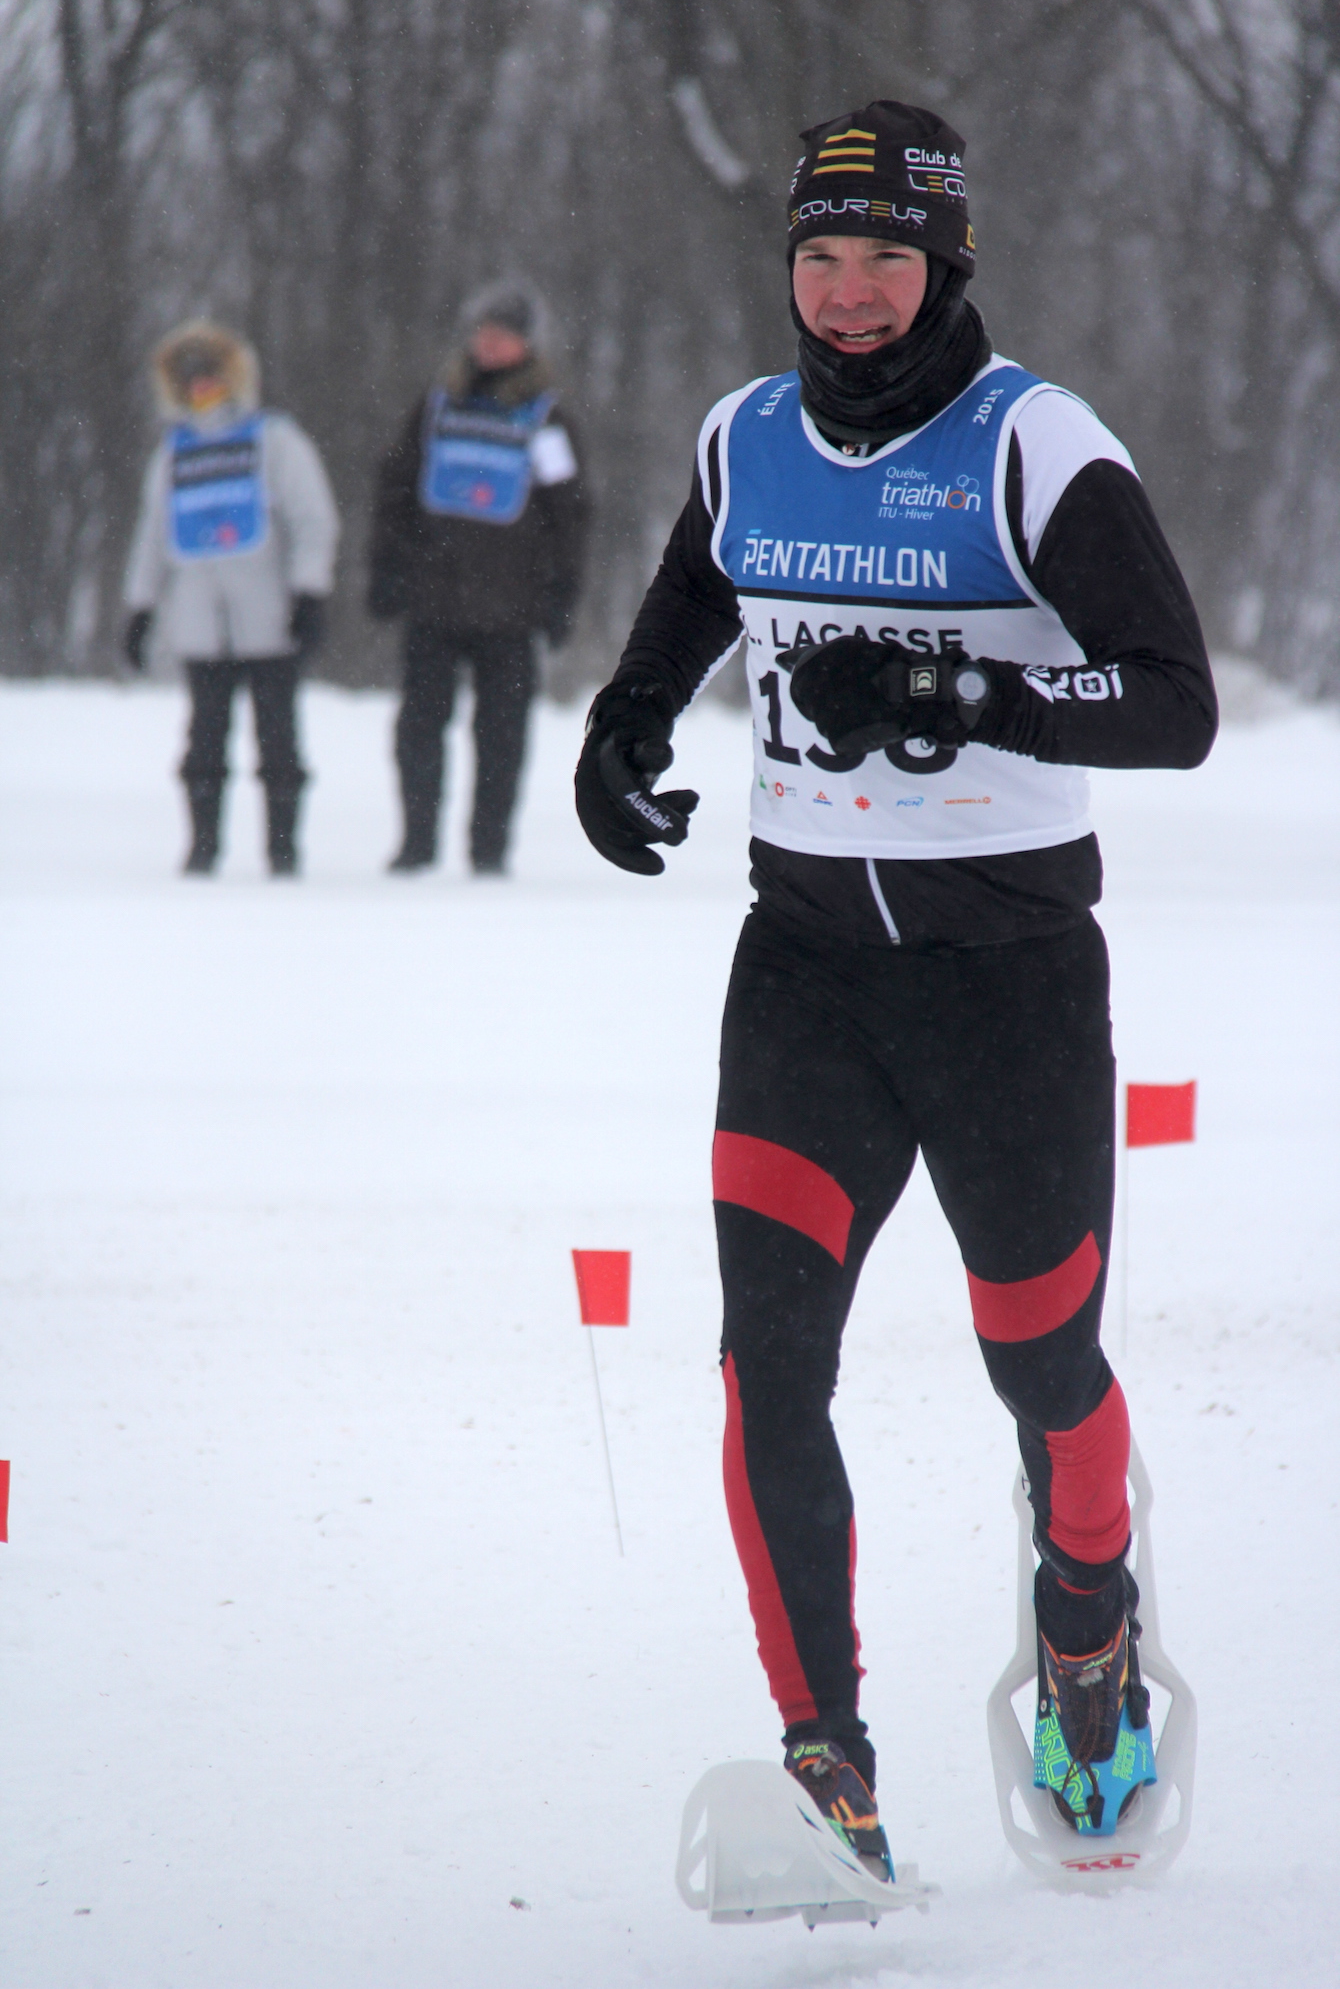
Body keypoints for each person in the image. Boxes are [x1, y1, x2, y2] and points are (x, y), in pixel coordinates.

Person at [575, 101, 1216, 1866]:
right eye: (821, 256)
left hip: (1006, 984)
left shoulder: (1037, 446)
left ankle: (1089, 1621)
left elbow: (1174, 700)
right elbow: (699, 590)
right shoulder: (744, 437)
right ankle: (824, 1771)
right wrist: (625, 723)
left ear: (948, 269)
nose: (850, 294)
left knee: (1045, 1368)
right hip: (804, 978)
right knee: (766, 1370)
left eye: (886, 260)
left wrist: (963, 701)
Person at [368, 282, 588, 874]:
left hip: (511, 611)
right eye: (482, 333)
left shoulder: (545, 420)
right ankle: (417, 845)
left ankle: (488, 852)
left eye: (502, 335)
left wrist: (563, 594)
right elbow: (395, 490)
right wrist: (385, 567)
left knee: (502, 738)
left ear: (524, 345)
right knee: (418, 728)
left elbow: (569, 515)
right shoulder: (437, 407)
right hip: (432, 601)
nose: (489, 345)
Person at [122, 320, 340, 876]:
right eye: (190, 379)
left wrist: (308, 591)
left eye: (211, 377)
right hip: (200, 625)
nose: (202, 389)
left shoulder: (275, 441)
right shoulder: (174, 454)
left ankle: (283, 852)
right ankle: (202, 849)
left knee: (279, 744)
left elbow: (313, 520)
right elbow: (154, 535)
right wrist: (140, 605)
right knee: (203, 744)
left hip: (271, 622)